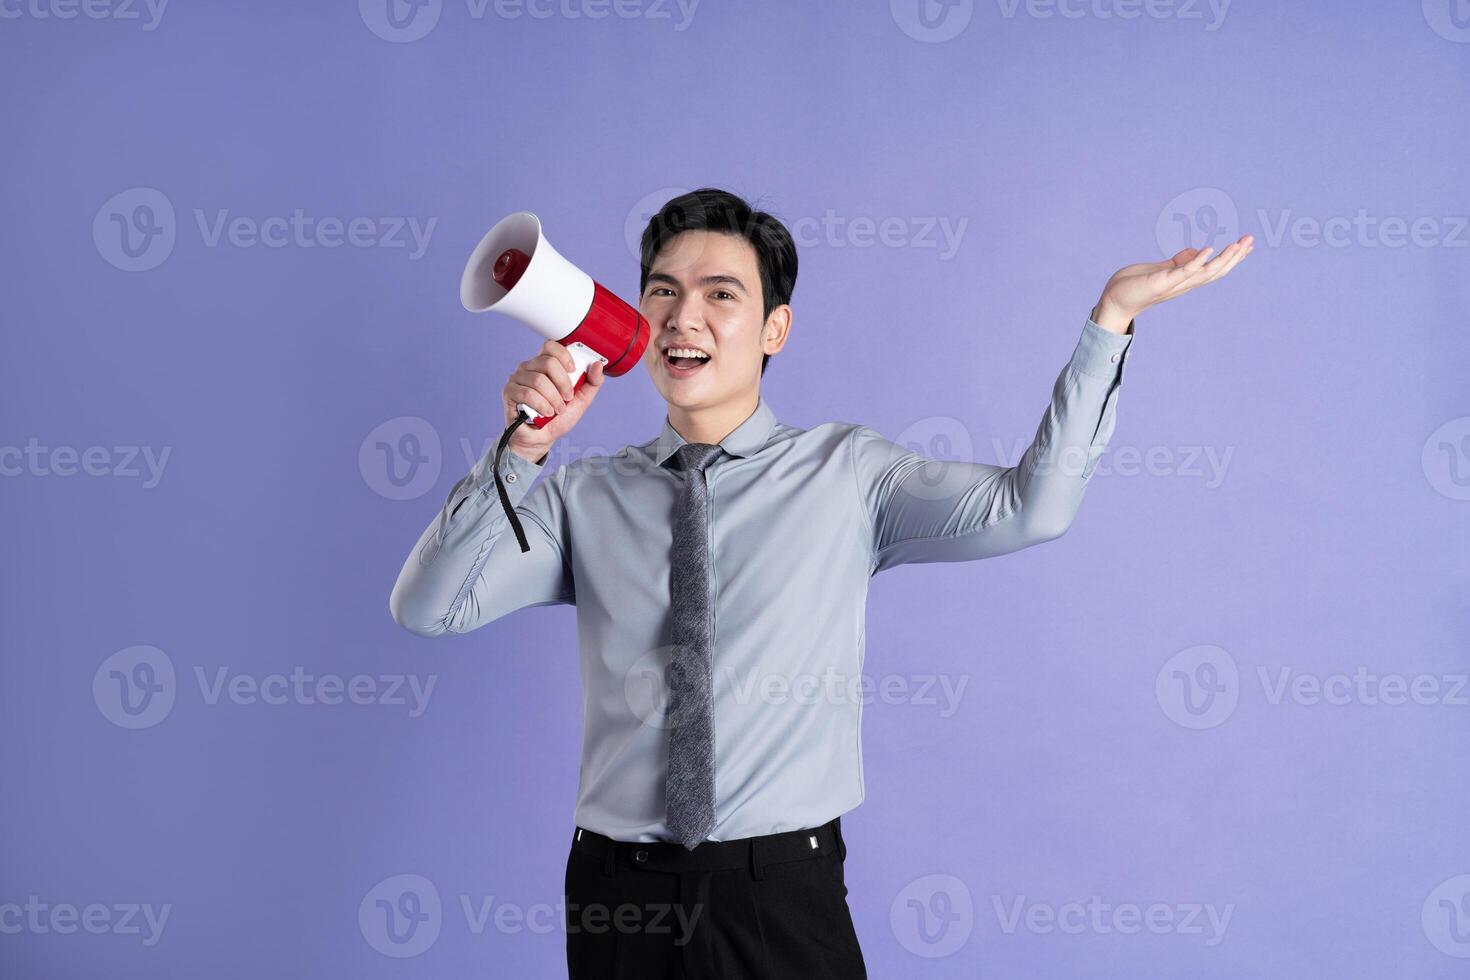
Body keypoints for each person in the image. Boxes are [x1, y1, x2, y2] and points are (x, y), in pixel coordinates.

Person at [389, 187, 1252, 978]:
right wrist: (525, 447)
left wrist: (1111, 322)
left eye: (721, 293)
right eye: (662, 291)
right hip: (619, 896)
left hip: (779, 894)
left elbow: (1033, 508)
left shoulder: (849, 475)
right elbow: (429, 609)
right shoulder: (582, 495)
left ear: (775, 330)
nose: (684, 314)